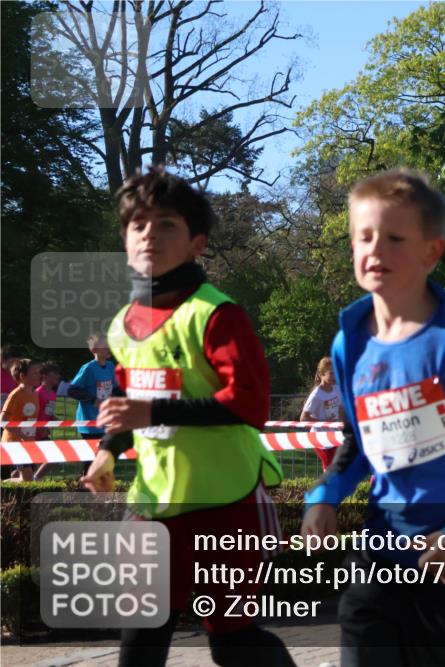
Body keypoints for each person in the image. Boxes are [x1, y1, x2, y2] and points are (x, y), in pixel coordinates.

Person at [300, 168, 445, 667]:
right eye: (364, 237)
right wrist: (326, 495)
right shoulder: (349, 341)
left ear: (431, 251)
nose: (375, 249)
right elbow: (359, 441)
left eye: (394, 238)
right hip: (380, 555)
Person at [79, 166, 292, 667]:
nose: (150, 233)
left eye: (166, 224)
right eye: (138, 225)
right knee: (139, 642)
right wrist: (106, 453)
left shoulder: (217, 314)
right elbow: (128, 405)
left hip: (226, 503)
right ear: (126, 241)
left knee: (233, 642)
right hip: (152, 505)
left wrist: (149, 409)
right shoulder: (121, 325)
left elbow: (250, 405)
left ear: (198, 243)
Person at [69, 333, 118, 441]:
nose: (108, 349)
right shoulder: (88, 368)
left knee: (105, 454)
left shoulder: (110, 366)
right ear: (94, 350)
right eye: (104, 346)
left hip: (106, 421)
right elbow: (72, 390)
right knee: (92, 456)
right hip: (89, 423)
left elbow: (115, 388)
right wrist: (94, 400)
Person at [1, 358, 42, 481]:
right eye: (35, 373)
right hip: (15, 443)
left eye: (39, 372)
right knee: (28, 479)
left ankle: (4, 488)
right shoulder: (15, 395)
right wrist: (21, 434)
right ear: (23, 376)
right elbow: (3, 420)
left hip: (28, 442)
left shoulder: (35, 394)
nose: (39, 375)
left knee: (21, 477)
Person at [300, 356, 343, 470]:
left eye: (336, 373)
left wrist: (344, 424)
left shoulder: (337, 389)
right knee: (330, 469)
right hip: (320, 437)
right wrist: (324, 422)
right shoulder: (316, 395)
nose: (335, 376)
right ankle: (328, 487)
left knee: (341, 466)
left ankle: (334, 487)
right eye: (331, 373)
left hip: (335, 434)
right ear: (321, 374)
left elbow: (340, 408)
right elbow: (303, 418)